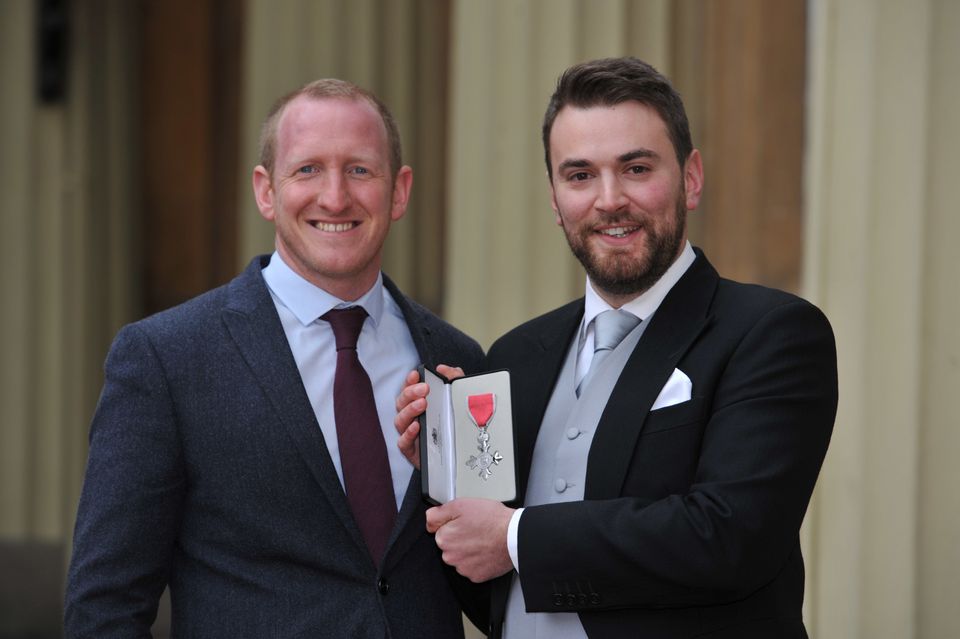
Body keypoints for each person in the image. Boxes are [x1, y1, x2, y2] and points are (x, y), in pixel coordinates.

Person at [395, 57, 838, 638]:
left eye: (635, 167)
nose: (609, 199)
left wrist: (514, 536)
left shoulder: (772, 333)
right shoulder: (515, 356)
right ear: (555, 201)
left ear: (692, 177)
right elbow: (492, 589)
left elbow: (733, 537)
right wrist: (445, 476)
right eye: (579, 175)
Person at [65, 79, 485, 638]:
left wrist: (453, 482)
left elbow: (488, 590)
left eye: (360, 170)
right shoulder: (166, 360)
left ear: (399, 192)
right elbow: (105, 606)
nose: (335, 197)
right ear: (265, 191)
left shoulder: (456, 361)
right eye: (307, 169)